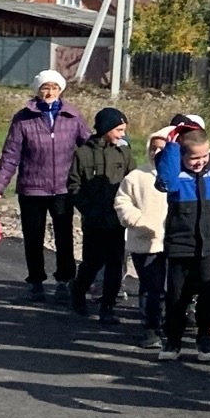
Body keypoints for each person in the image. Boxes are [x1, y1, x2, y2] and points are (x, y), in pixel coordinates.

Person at [0, 70, 89, 296]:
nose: (49, 92)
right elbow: (11, 154)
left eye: (54, 88)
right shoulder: (23, 118)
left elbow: (89, 146)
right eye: (45, 88)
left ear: (60, 90)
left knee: (64, 237)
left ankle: (65, 281)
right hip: (32, 188)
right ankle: (36, 281)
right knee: (33, 237)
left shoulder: (72, 117)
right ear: (38, 91)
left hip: (63, 188)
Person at [154, 117, 210, 364]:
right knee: (176, 296)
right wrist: (172, 145)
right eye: (194, 158)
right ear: (180, 154)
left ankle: (205, 339)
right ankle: (172, 340)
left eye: (204, 157)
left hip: (209, 245)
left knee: (208, 294)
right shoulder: (174, 172)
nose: (200, 162)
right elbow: (166, 183)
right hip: (180, 244)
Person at [67, 106, 135, 323]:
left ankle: (108, 307)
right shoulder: (83, 153)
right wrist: (88, 209)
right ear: (106, 129)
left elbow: (132, 181)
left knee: (115, 265)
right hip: (94, 221)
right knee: (92, 263)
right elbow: (73, 185)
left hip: (116, 221)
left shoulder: (123, 153)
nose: (122, 135)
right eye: (118, 130)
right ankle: (78, 293)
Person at [116, 131, 172, 347]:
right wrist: (136, 220)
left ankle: (170, 325)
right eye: (153, 148)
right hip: (144, 241)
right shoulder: (136, 177)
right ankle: (151, 328)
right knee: (151, 286)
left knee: (171, 287)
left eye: (163, 148)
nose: (157, 152)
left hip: (173, 241)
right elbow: (122, 202)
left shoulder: (179, 177)